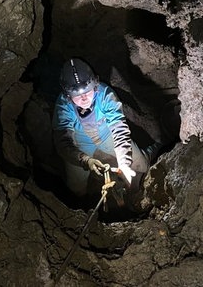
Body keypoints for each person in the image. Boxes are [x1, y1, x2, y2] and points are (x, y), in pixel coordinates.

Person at [52, 58, 150, 203]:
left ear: (95, 85)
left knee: (141, 165)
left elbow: (119, 128)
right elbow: (62, 144)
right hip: (80, 144)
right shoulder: (63, 106)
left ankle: (138, 189)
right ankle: (82, 207)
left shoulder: (105, 94)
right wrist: (86, 160)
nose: (84, 98)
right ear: (68, 95)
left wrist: (123, 161)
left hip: (107, 136)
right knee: (75, 187)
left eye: (87, 91)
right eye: (77, 95)